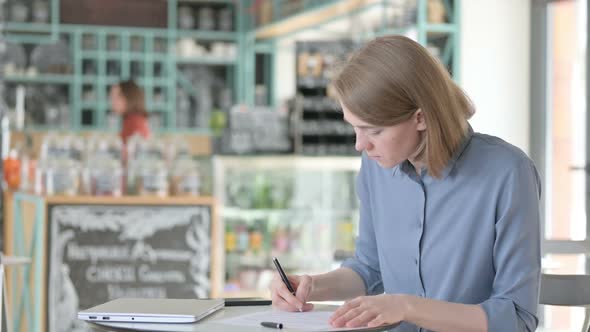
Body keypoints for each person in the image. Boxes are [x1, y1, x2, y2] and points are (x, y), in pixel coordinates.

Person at [270, 35, 541, 332]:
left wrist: (407, 307)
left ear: (421, 118)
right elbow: (370, 268)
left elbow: (516, 317)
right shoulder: (376, 168)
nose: (361, 145)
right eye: (354, 128)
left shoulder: (508, 173)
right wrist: (311, 286)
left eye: (373, 130)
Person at [109, 79, 151, 144]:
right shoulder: (131, 119)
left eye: (116, 97)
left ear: (128, 98)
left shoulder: (135, 122)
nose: (113, 102)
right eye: (112, 98)